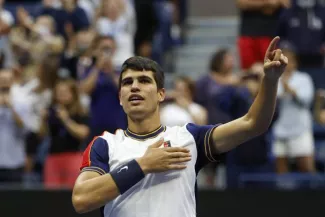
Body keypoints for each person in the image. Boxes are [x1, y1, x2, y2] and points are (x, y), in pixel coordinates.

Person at [72, 36, 288, 216]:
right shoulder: (105, 144)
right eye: (127, 83)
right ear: (120, 97)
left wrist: (270, 81)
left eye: (144, 81)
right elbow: (81, 199)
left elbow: (253, 123)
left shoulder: (188, 137)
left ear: (161, 95)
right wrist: (143, 165)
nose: (135, 87)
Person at [272, 47, 315, 174]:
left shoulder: (304, 78)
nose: (286, 63)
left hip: (300, 129)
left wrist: (290, 90)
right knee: (281, 170)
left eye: (289, 60)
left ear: (295, 63)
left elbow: (306, 100)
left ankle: (312, 193)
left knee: (306, 168)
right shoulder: (275, 79)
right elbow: (273, 99)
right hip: (280, 129)